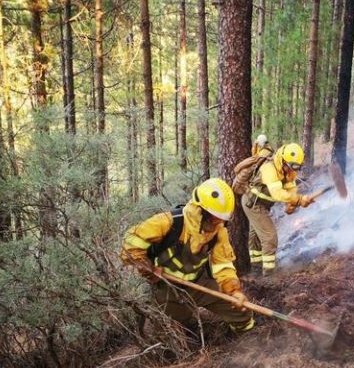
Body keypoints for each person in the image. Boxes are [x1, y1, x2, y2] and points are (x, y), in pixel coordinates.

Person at [121, 178, 255, 334]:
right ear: (200, 210)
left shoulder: (218, 230)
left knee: (241, 312)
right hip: (169, 288)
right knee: (167, 334)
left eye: (222, 219)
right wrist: (146, 267)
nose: (218, 222)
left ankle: (248, 338)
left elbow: (223, 264)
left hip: (200, 283)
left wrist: (234, 291)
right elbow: (130, 242)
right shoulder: (169, 222)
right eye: (214, 217)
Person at [242, 142, 315, 274]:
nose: (292, 170)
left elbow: (291, 192)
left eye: (296, 167)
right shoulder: (269, 169)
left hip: (263, 205)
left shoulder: (289, 171)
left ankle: (256, 268)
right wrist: (299, 200)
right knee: (270, 237)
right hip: (252, 204)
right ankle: (268, 275)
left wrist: (291, 205)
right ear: (282, 160)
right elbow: (277, 193)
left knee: (257, 237)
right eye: (291, 166)